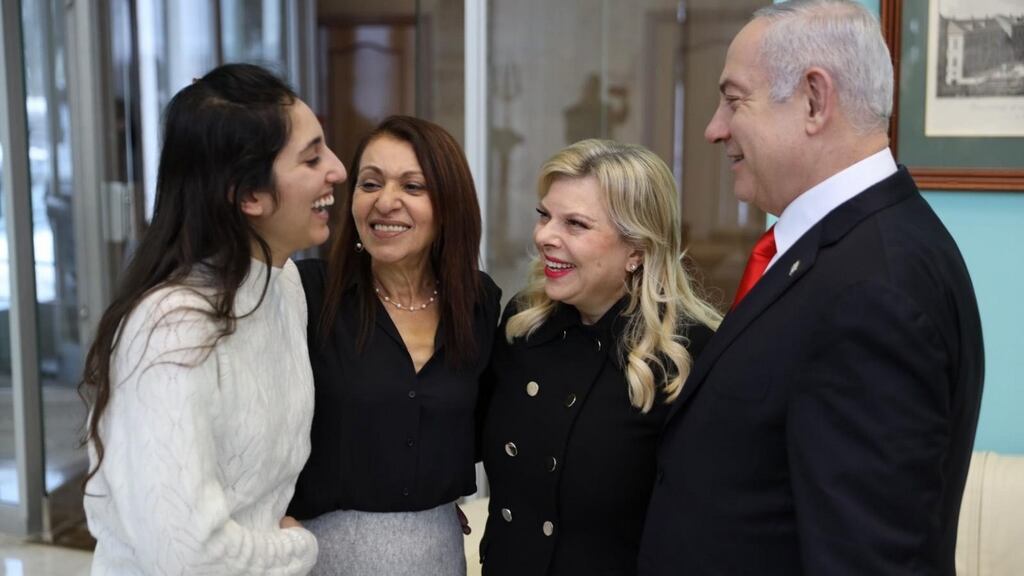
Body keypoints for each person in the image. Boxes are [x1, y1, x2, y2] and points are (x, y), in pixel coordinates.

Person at [638, 2, 985, 574]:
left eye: (733, 98)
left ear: (814, 100)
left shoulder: (876, 285)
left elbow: (868, 558)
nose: (713, 128)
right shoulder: (844, 249)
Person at [80, 63, 346, 575]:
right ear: (248, 195)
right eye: (311, 158)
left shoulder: (283, 281)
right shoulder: (171, 328)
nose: (336, 169)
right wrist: (297, 548)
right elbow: (185, 556)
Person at [478, 139, 721, 576]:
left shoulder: (689, 353)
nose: (544, 237)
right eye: (544, 215)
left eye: (575, 224)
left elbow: (708, 526)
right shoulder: (523, 325)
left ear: (637, 250)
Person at [287, 115, 502, 576]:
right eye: (370, 184)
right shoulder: (307, 293)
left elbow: (480, 426)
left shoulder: (478, 302)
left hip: (436, 549)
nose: (386, 202)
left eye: (412, 186)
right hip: (323, 552)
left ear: (449, 203)